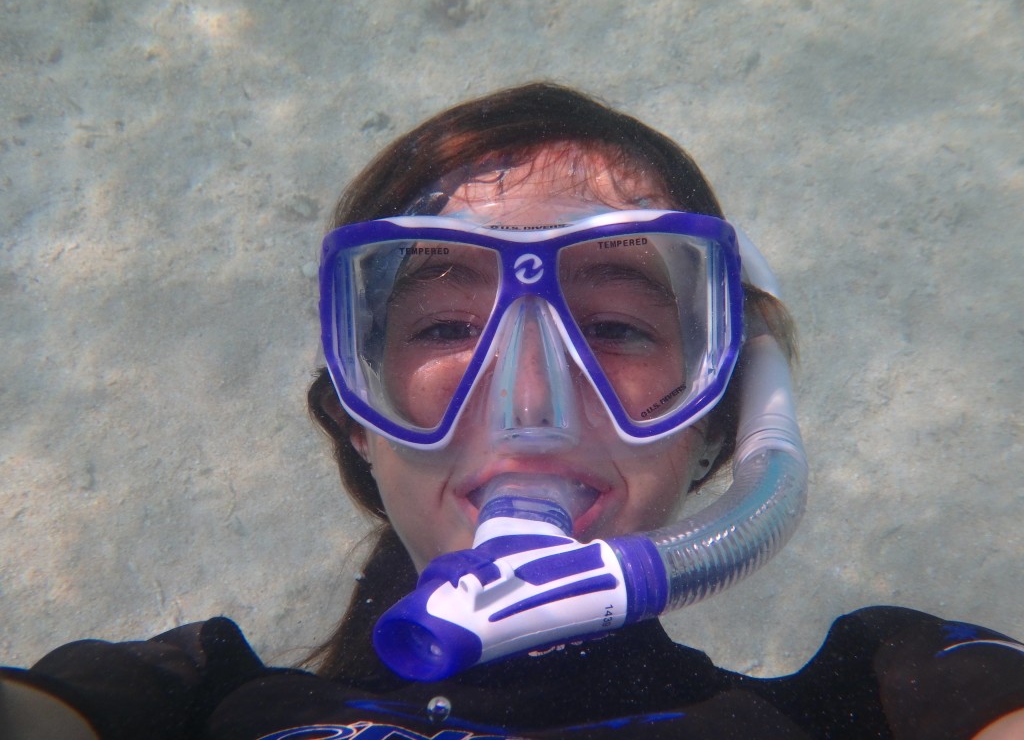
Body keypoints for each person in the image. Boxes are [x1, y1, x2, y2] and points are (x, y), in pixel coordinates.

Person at [2, 83, 1022, 740]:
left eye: (618, 326)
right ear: (357, 410)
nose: (528, 395)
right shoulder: (183, 701)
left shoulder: (877, 702)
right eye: (446, 326)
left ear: (729, 410)